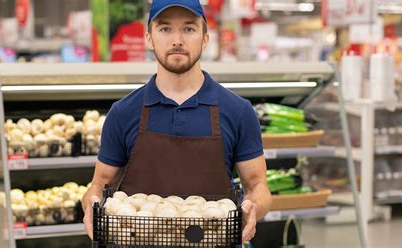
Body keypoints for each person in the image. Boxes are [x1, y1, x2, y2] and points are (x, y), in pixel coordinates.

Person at [83, 0, 272, 243]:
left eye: (189, 29)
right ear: (149, 38)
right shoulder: (123, 112)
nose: (177, 40)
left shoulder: (238, 111)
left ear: (205, 38)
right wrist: (91, 205)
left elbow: (258, 186)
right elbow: (99, 184)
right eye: (164, 29)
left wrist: (253, 208)